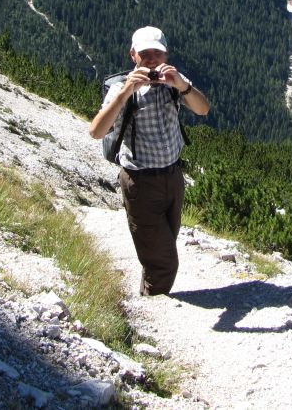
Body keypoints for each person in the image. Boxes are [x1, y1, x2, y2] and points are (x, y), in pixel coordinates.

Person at [88, 26, 210, 295]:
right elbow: (96, 131)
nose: (152, 59)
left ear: (166, 54)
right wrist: (126, 91)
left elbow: (203, 109)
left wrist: (183, 85)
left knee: (160, 247)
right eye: (145, 53)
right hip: (140, 183)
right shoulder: (122, 90)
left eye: (158, 52)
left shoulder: (173, 83)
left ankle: (148, 296)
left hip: (173, 177)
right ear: (134, 55)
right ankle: (156, 309)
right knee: (164, 260)